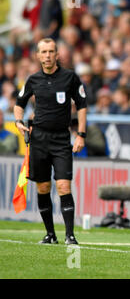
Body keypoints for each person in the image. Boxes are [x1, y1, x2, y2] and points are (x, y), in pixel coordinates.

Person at [14, 38, 87, 245]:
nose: (47, 55)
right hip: (38, 139)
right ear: (37, 55)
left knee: (64, 185)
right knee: (43, 187)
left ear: (57, 55)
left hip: (61, 138)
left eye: (51, 51)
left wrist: (81, 134)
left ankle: (70, 235)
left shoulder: (70, 78)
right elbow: (19, 104)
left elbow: (82, 105)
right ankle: (50, 234)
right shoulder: (33, 80)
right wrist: (19, 122)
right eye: (43, 52)